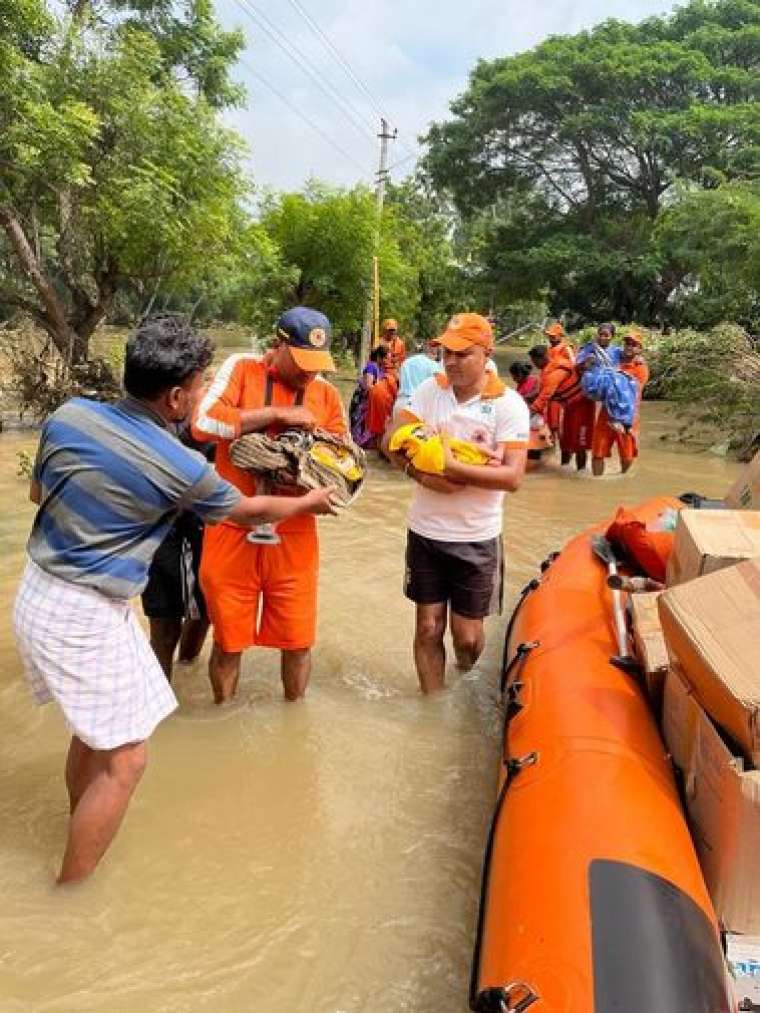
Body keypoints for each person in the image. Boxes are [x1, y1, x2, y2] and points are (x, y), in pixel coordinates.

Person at [12, 316, 336, 884]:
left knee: (98, 731)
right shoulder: (177, 463)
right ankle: (70, 890)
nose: (207, 385)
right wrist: (311, 502)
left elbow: (39, 492)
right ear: (178, 395)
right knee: (128, 758)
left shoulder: (70, 414)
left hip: (39, 592)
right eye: (201, 378)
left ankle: (78, 822)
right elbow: (247, 511)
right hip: (83, 614)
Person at [192, 306, 347, 705]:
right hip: (232, 529)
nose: (310, 373)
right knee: (228, 641)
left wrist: (307, 461)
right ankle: (221, 716)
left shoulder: (326, 393)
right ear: (277, 345)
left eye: (317, 364)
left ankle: (294, 720)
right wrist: (276, 414)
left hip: (295, 533)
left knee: (297, 641)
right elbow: (203, 423)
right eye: (301, 362)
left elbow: (346, 461)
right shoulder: (242, 368)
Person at [383, 313, 529, 694]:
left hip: (477, 537)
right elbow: (392, 440)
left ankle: (464, 678)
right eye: (446, 352)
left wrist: (452, 467)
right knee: (428, 626)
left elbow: (513, 477)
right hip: (425, 531)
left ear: (486, 354)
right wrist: (422, 474)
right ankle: (431, 706)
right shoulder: (431, 391)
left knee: (467, 636)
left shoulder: (508, 405)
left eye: (462, 354)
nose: (450, 361)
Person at [591, 332, 650, 476]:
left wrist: (619, 375)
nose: (629, 346)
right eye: (627, 343)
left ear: (639, 349)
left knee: (627, 455)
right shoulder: (613, 358)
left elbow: (631, 391)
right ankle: (597, 482)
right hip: (607, 412)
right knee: (597, 453)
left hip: (627, 415)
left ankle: (622, 477)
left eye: (633, 344)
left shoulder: (640, 368)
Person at [528, 343, 592, 469]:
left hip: (583, 406)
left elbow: (544, 396)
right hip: (569, 407)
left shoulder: (555, 372)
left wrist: (527, 415)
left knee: (579, 443)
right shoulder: (548, 369)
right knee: (565, 441)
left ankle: (581, 472)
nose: (534, 365)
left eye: (534, 362)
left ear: (541, 358)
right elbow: (542, 393)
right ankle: (564, 469)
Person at [350, 345, 390, 448]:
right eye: (385, 358)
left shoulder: (379, 368)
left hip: (372, 400)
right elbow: (368, 386)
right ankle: (360, 442)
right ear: (378, 357)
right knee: (362, 422)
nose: (386, 361)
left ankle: (367, 442)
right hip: (364, 400)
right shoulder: (371, 367)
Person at [395, 338, 443, 412]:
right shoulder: (434, 366)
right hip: (416, 407)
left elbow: (398, 379)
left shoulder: (407, 362)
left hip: (400, 404)